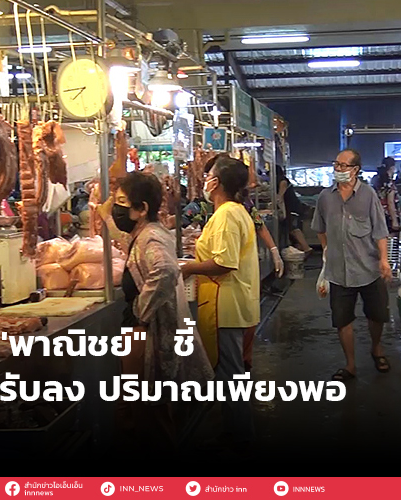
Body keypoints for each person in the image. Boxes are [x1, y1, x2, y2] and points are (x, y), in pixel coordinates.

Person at [98, 171, 213, 450]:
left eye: (122, 202)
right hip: (139, 331)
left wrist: (142, 311)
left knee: (148, 410)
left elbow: (165, 270)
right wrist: (108, 219)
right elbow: (130, 245)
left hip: (145, 333)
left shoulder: (150, 237)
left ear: (142, 209)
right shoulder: (144, 233)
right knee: (135, 406)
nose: (117, 207)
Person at [180, 156, 259, 441]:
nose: (205, 180)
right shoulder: (233, 211)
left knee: (231, 372)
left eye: (208, 175)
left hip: (226, 304)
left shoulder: (227, 215)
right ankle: (237, 428)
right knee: (230, 370)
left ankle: (240, 435)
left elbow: (225, 263)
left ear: (218, 182)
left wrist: (188, 268)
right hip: (230, 300)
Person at [312, 149, 392, 381]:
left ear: (355, 169)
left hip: (368, 268)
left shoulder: (368, 194)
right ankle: (350, 365)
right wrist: (326, 251)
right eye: (336, 164)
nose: (338, 169)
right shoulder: (325, 197)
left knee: (377, 314)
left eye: (343, 165)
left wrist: (384, 260)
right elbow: (319, 228)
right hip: (338, 271)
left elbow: (380, 230)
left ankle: (376, 348)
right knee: (342, 319)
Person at [238, 184, 283, 372]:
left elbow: (259, 224)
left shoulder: (245, 203)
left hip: (245, 265)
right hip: (228, 268)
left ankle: (244, 360)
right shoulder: (204, 204)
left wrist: (274, 250)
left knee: (249, 313)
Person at [276, 165, 312, 253]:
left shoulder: (282, 180)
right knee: (290, 228)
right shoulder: (282, 180)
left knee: (293, 228)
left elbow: (280, 196)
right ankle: (301, 249)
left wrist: (278, 201)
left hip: (292, 207)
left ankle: (306, 248)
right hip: (290, 207)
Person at [375, 165, 401, 233]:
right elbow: (390, 202)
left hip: (379, 214)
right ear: (392, 168)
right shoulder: (390, 184)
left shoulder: (379, 182)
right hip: (389, 216)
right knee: (391, 237)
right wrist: (394, 220)